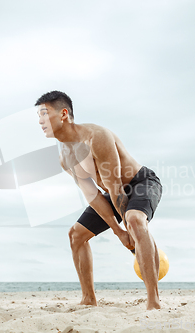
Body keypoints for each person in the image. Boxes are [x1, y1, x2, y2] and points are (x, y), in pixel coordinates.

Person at [35, 91, 163, 310]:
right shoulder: (65, 157)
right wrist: (118, 232)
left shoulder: (96, 137)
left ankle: (153, 302)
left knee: (134, 220)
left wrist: (129, 233)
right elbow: (92, 194)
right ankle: (88, 299)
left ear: (64, 114)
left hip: (141, 182)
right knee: (76, 235)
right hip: (112, 193)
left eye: (44, 114)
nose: (40, 121)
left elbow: (115, 187)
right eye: (38, 116)